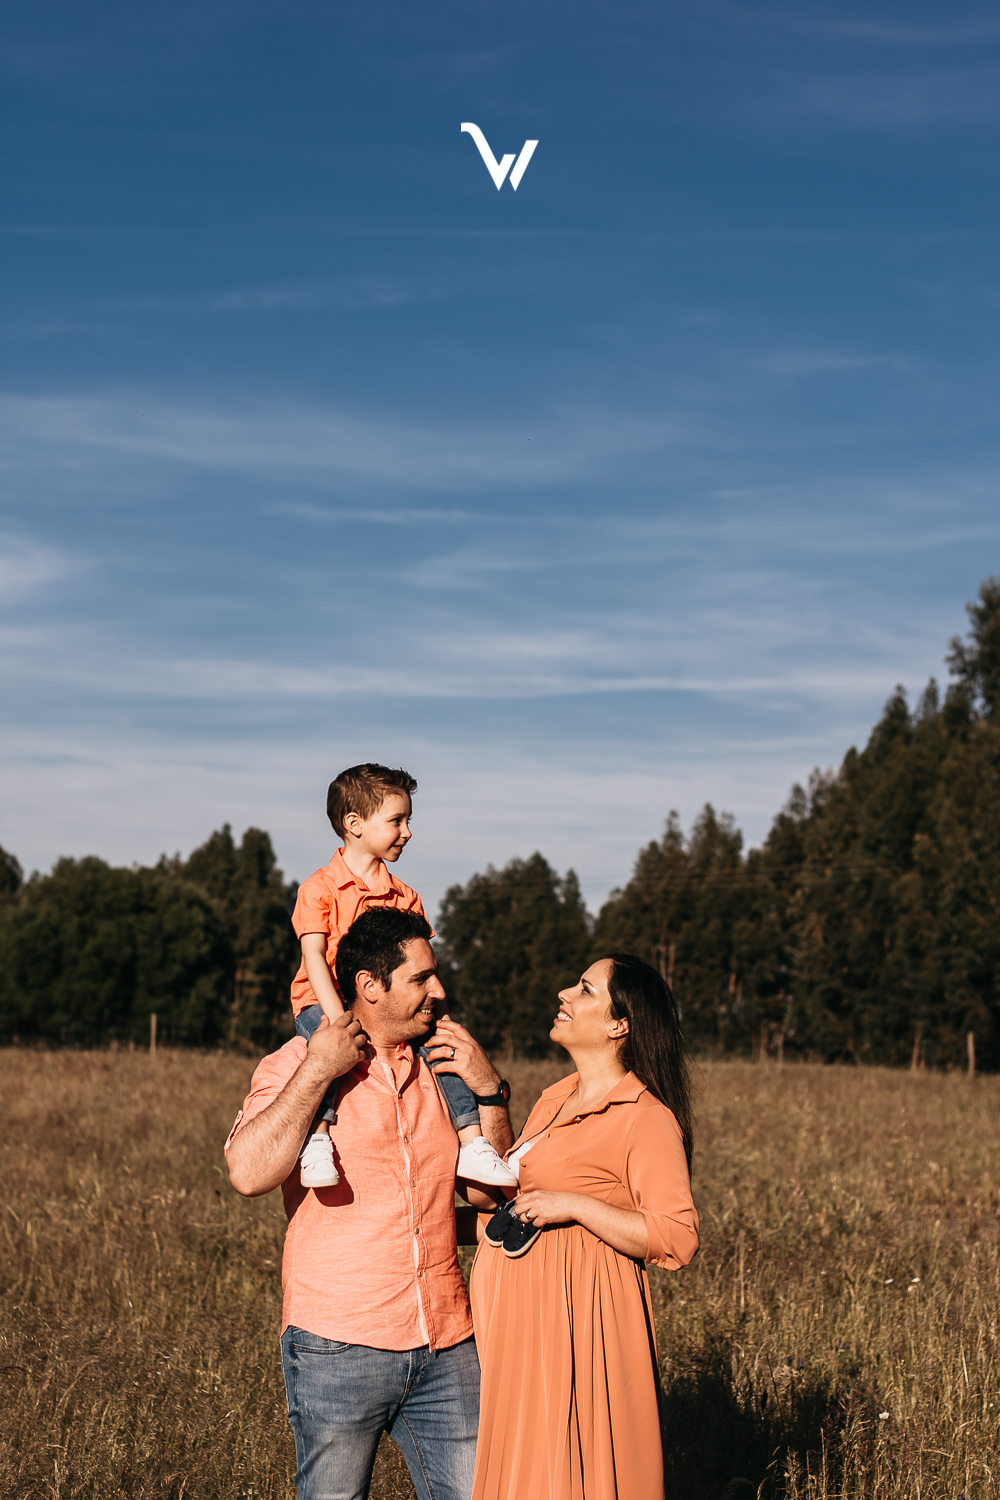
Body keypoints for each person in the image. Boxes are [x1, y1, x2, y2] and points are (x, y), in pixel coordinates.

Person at [225, 907, 515, 1500]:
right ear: (369, 985)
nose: (439, 990)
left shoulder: (445, 1069)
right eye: (421, 978)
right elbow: (248, 1173)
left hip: (447, 1344)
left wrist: (489, 1089)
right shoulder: (292, 1061)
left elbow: (489, 1192)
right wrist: (318, 1070)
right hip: (337, 1346)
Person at [469, 952, 700, 1500]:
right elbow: (521, 1196)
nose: (564, 996)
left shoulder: (645, 1116)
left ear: (620, 1024)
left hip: (580, 1323)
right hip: (521, 1324)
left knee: (571, 1471)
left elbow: (676, 1236)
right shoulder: (554, 1095)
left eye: (585, 990)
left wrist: (575, 1206)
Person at [290, 762, 516, 1193]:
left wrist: (442, 1019)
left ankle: (472, 1142)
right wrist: (338, 1019)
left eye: (408, 820)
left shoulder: (405, 896)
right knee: (327, 1051)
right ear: (354, 824)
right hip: (324, 1001)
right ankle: (318, 1138)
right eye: (396, 820)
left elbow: (422, 964)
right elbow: (314, 957)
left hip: (391, 1008)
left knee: (440, 1046)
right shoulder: (319, 888)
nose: (407, 831)